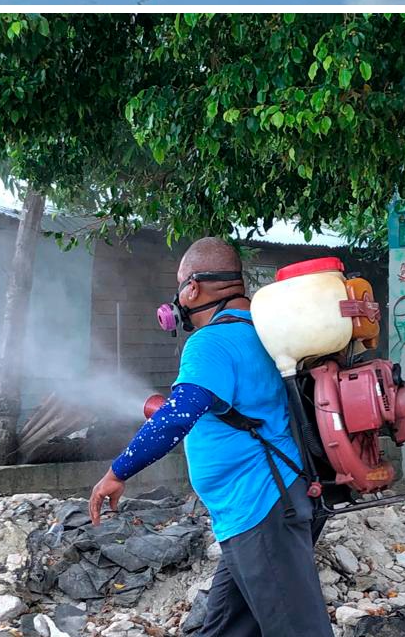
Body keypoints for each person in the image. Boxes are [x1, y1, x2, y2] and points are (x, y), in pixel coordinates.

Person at [88, 237, 331, 637]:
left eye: (180, 287)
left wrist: (117, 472)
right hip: (260, 507)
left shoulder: (210, 342)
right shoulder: (259, 330)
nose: (178, 301)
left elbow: (178, 416)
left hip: (262, 506)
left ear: (193, 287)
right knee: (224, 628)